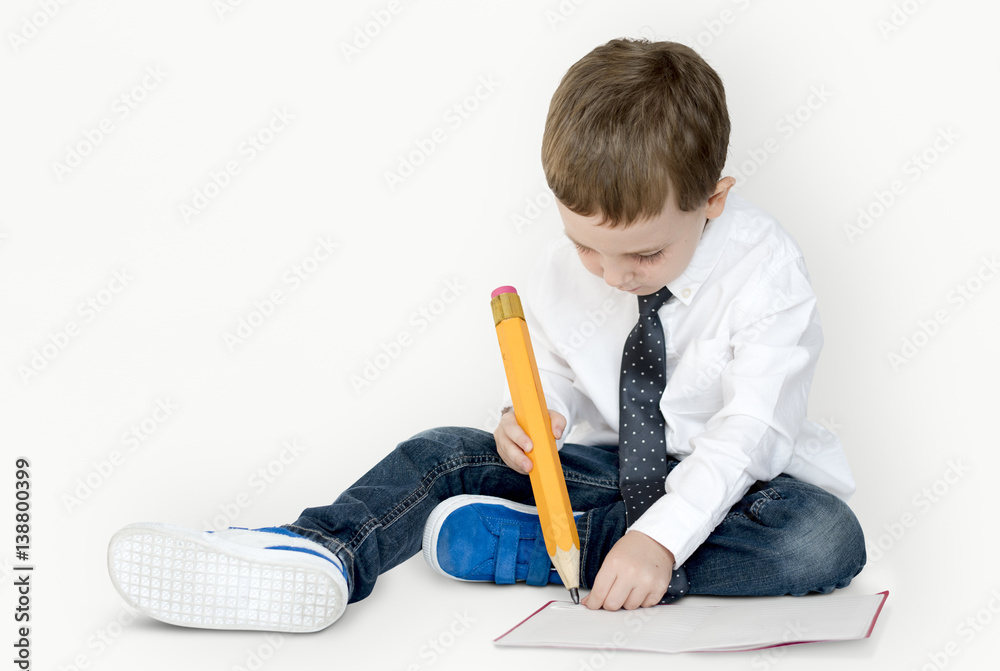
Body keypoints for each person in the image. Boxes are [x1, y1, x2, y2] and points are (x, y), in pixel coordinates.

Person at [107, 38, 865, 632]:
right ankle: (323, 552)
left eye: (644, 254)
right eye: (586, 247)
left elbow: (750, 432)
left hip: (741, 490)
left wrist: (661, 539)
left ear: (714, 198)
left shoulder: (767, 271)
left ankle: (557, 549)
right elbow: (559, 369)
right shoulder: (569, 266)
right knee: (442, 451)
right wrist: (537, 418)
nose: (611, 274)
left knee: (822, 540)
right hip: (601, 474)